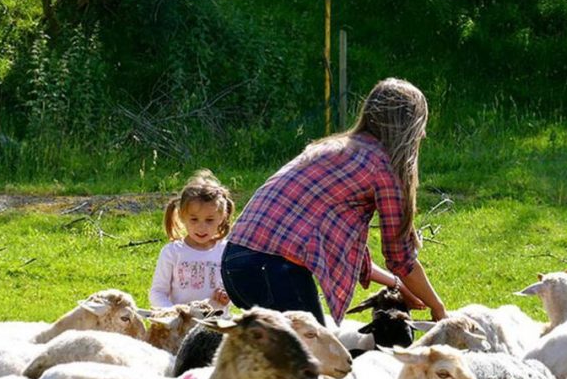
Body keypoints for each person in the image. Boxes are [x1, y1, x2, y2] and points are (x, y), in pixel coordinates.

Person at [222, 78, 446, 326]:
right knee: (317, 359)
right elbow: (400, 258)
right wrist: (438, 307)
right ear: (409, 127)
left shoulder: (333, 148)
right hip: (273, 271)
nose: (423, 134)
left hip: (234, 262)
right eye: (421, 126)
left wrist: (397, 285)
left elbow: (345, 245)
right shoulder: (384, 168)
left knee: (276, 360)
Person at [149, 169, 235, 310]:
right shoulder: (172, 252)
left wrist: (228, 297)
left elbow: (236, 290)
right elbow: (158, 292)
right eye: (194, 219)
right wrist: (172, 314)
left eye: (209, 220)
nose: (201, 227)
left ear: (222, 217)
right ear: (182, 216)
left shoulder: (226, 252)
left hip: (216, 324)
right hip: (181, 326)